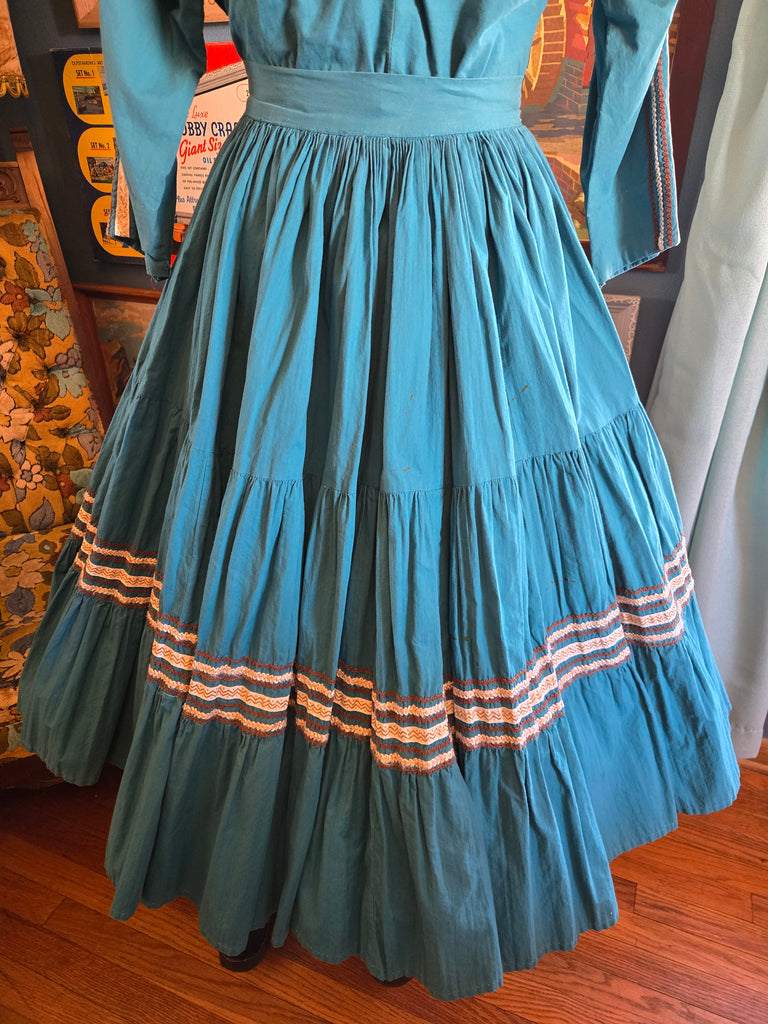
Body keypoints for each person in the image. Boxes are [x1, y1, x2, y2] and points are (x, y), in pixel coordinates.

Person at [19, 0, 739, 1000]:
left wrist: (150, 208)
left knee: (301, 540)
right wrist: (617, 207)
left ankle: (277, 868)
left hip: (301, 211)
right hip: (450, 208)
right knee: (361, 534)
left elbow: (144, 23)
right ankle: (338, 866)